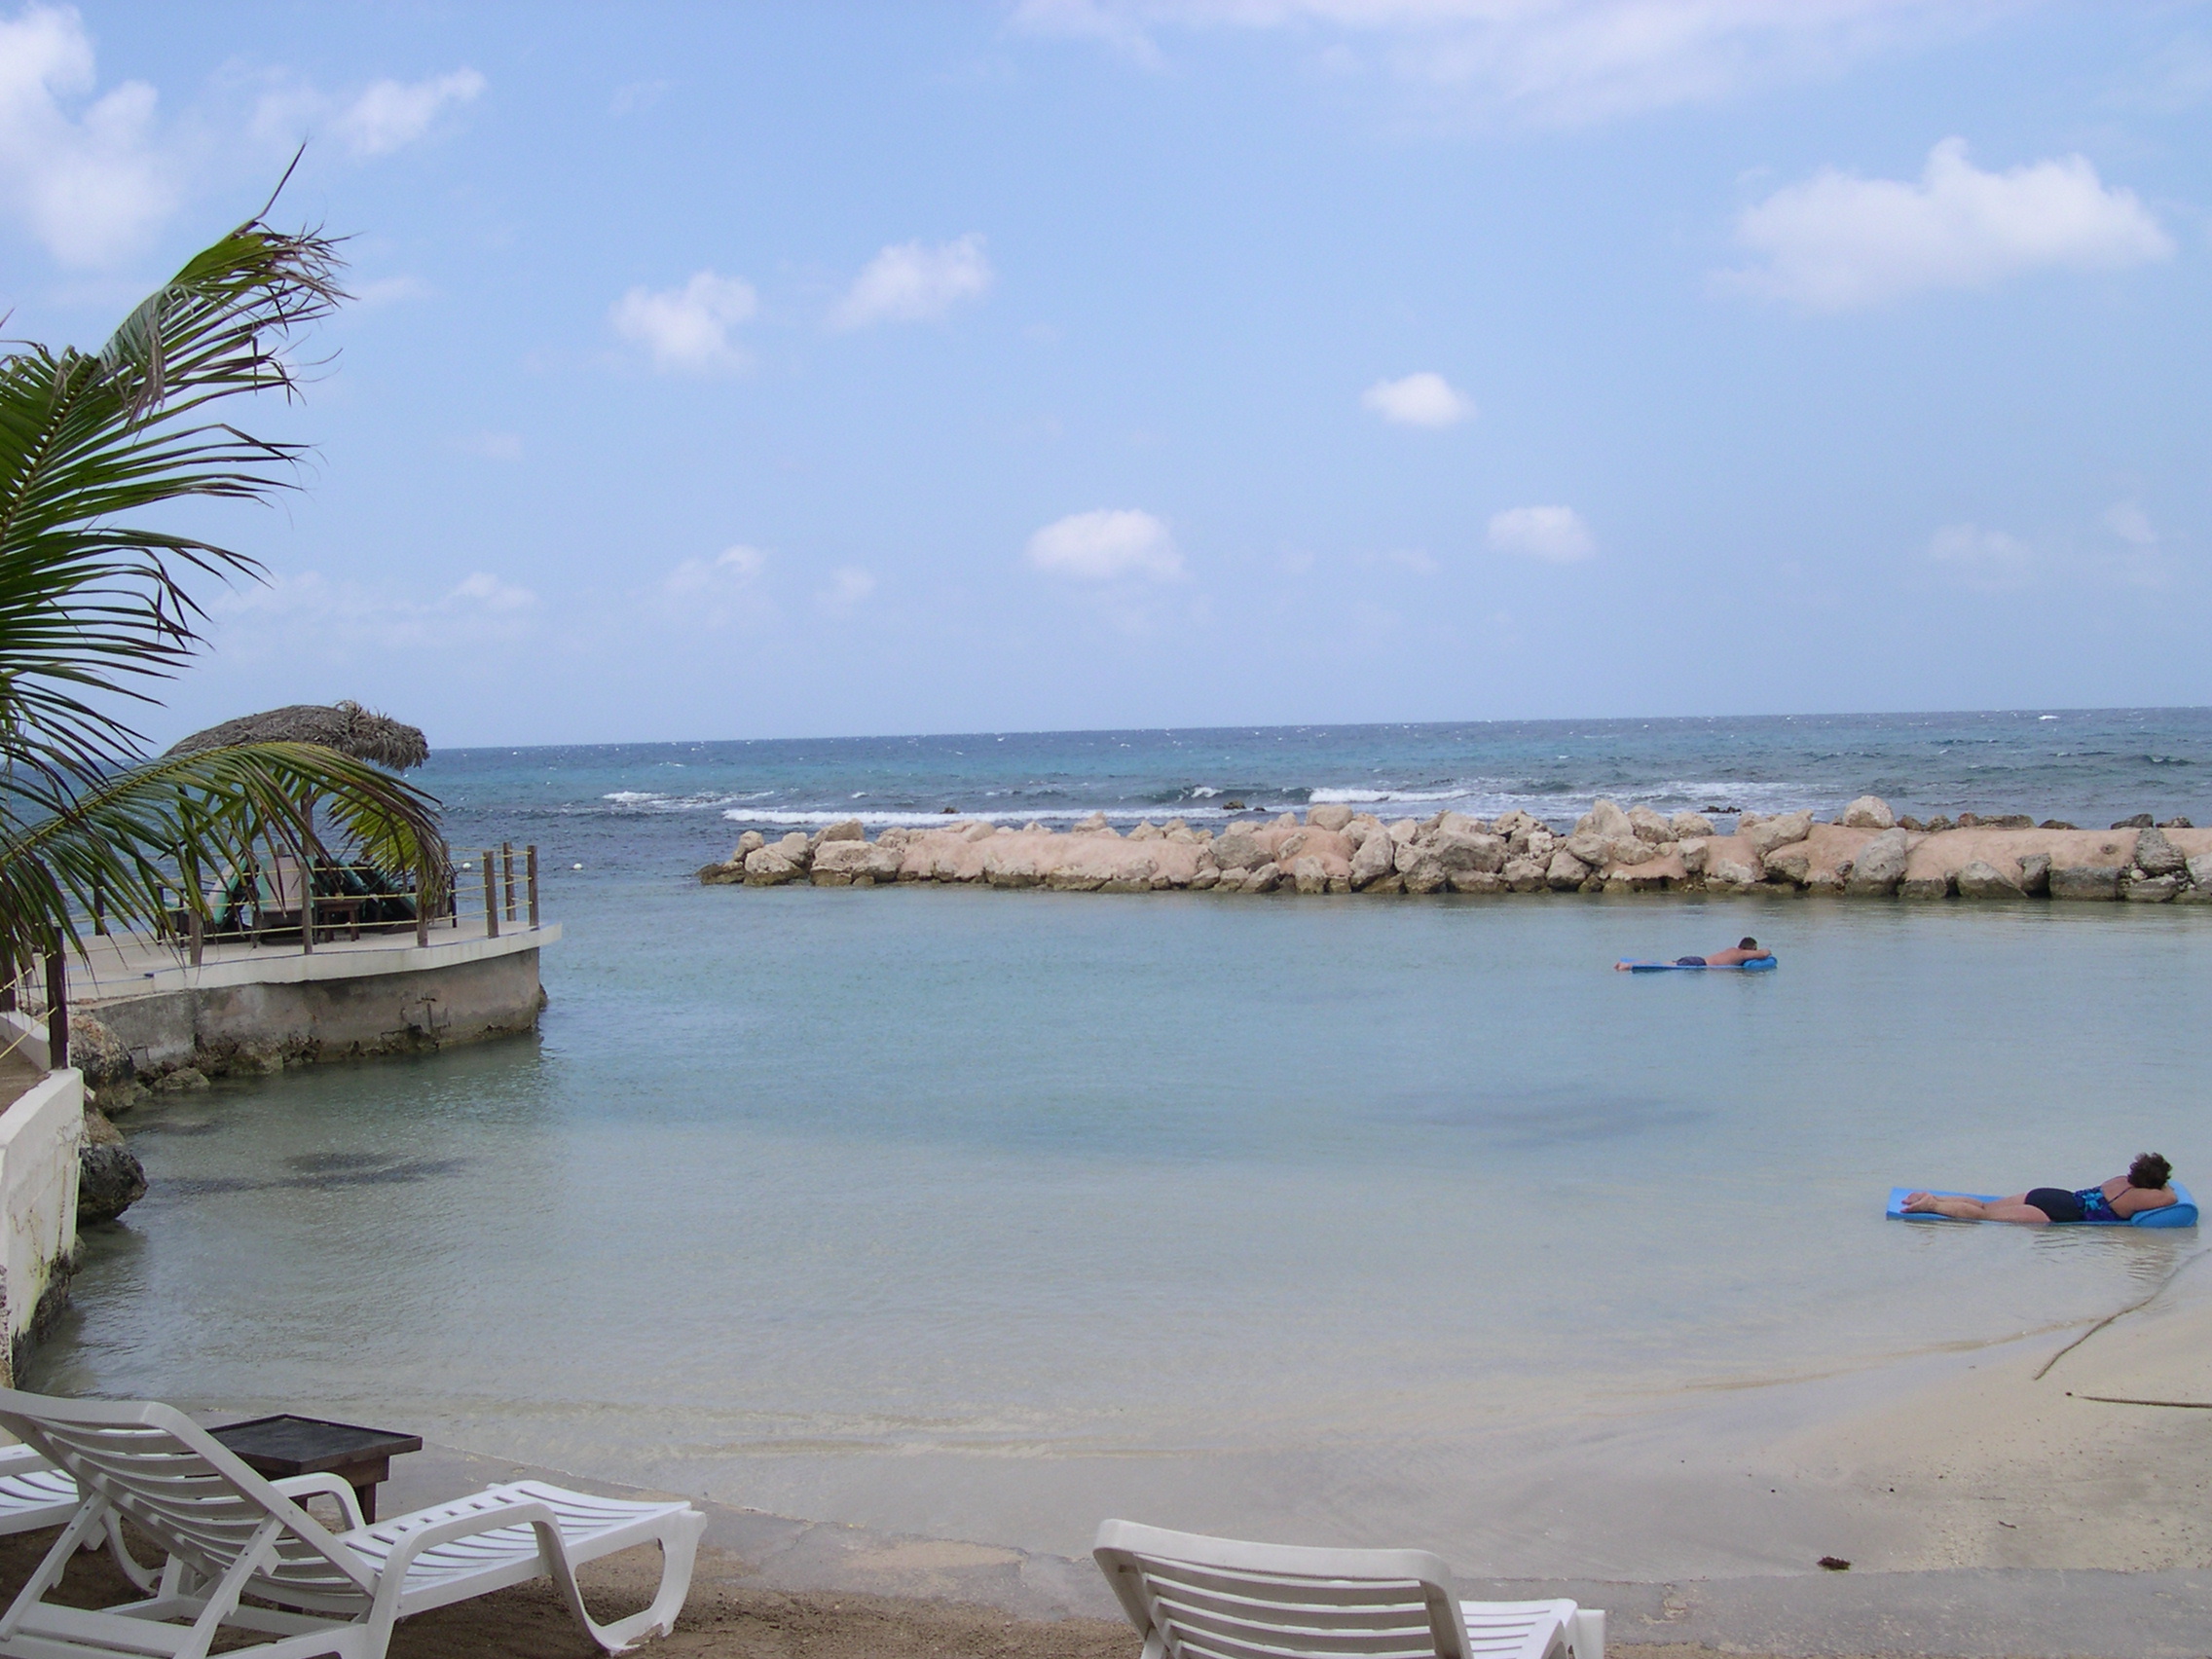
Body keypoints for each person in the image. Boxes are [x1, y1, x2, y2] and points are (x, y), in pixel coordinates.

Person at [1902, 1154, 2178, 1225]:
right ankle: (1933, 1206)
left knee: (1986, 1205)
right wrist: (2162, 1183)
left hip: (2053, 1195)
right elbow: (2171, 1197)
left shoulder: (2119, 1180)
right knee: (1983, 1219)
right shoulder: (2140, 1196)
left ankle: (1934, 1196)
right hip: (2055, 1213)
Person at [1615, 937, 1771, 970]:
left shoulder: (1732, 950)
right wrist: (1767, 952)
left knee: (1668, 964)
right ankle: (1628, 966)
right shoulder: (1741, 955)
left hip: (1698, 960)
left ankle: (1629, 964)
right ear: (1749, 949)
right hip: (1699, 964)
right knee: (1666, 966)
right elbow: (1763, 954)